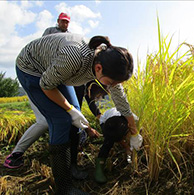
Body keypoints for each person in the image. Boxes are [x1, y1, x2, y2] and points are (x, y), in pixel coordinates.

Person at [15, 33, 143, 194]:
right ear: (98, 68)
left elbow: (123, 105)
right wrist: (69, 110)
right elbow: (46, 85)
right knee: (61, 119)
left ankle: (72, 165)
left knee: (76, 113)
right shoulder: (74, 58)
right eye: (111, 83)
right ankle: (64, 187)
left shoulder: (109, 66)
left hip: (57, 70)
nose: (113, 87)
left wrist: (134, 132)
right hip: (32, 69)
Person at [4, 12, 95, 180]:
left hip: (58, 74)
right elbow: (47, 80)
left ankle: (71, 163)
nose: (65, 24)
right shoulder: (50, 32)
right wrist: (68, 109)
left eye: (67, 22)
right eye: (62, 21)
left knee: (72, 112)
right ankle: (16, 155)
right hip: (37, 74)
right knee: (49, 120)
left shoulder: (76, 44)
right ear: (58, 21)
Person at [94, 107, 141, 184]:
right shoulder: (110, 126)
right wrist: (126, 146)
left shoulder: (132, 118)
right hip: (105, 122)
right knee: (108, 142)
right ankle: (99, 166)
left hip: (119, 121)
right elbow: (117, 137)